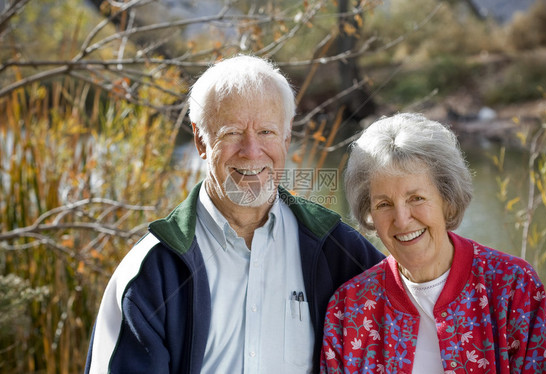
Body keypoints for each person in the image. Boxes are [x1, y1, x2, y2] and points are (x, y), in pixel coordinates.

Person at [84, 54, 385, 374]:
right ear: (201, 140)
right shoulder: (149, 272)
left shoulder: (339, 250)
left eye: (267, 132)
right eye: (231, 133)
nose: (251, 151)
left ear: (286, 138)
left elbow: (414, 313)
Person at [321, 113, 546, 373]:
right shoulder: (349, 309)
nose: (401, 220)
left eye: (416, 198)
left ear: (447, 199)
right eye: (384, 204)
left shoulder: (514, 287)